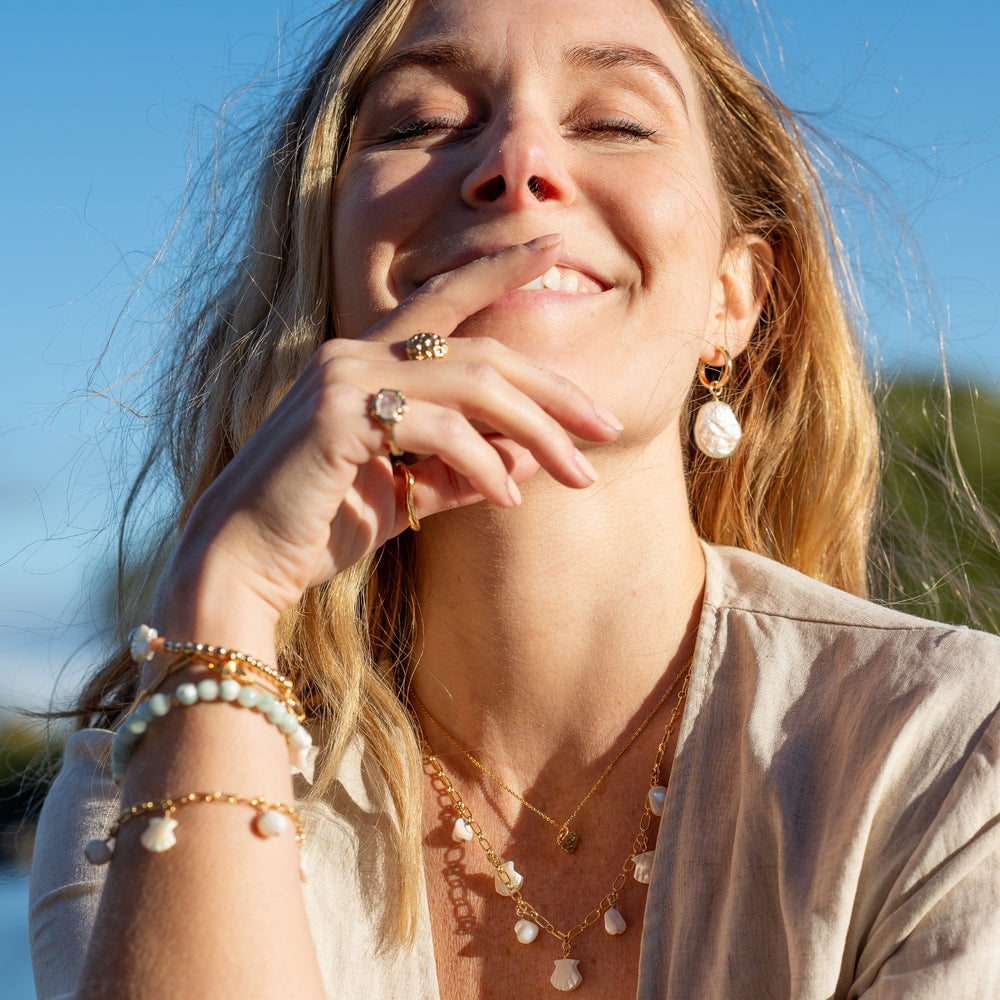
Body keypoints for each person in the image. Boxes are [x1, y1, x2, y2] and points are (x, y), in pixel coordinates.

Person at [29, 0, 1000, 997]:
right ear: (324, 278)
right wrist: (224, 593)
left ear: (736, 298)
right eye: (418, 123)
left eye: (614, 120)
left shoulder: (952, 751)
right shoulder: (164, 769)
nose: (519, 161)